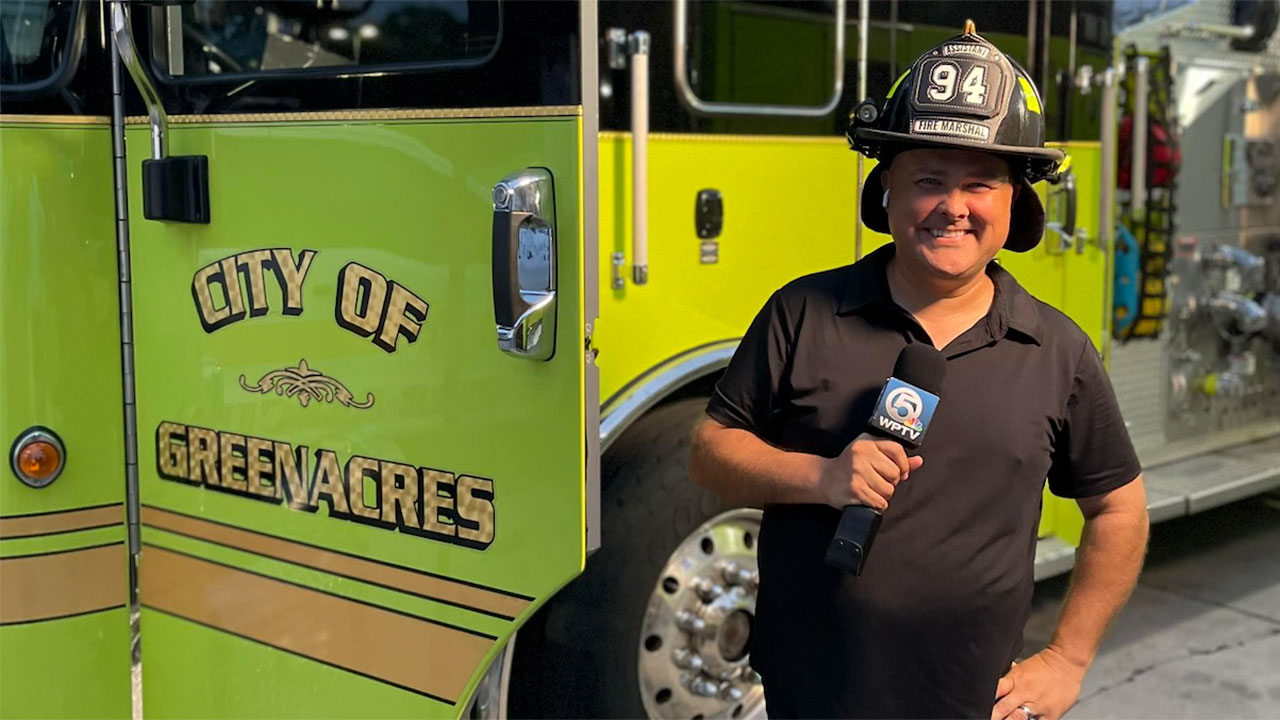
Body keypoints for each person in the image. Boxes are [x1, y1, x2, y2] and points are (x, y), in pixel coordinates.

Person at [688, 23, 1150, 720]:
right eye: (928, 180)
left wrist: (1068, 659)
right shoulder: (803, 313)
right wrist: (822, 477)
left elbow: (1119, 508)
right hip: (810, 693)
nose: (953, 208)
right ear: (888, 193)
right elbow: (710, 452)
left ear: (1015, 204)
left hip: (975, 703)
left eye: (979, 184)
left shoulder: (1057, 350)